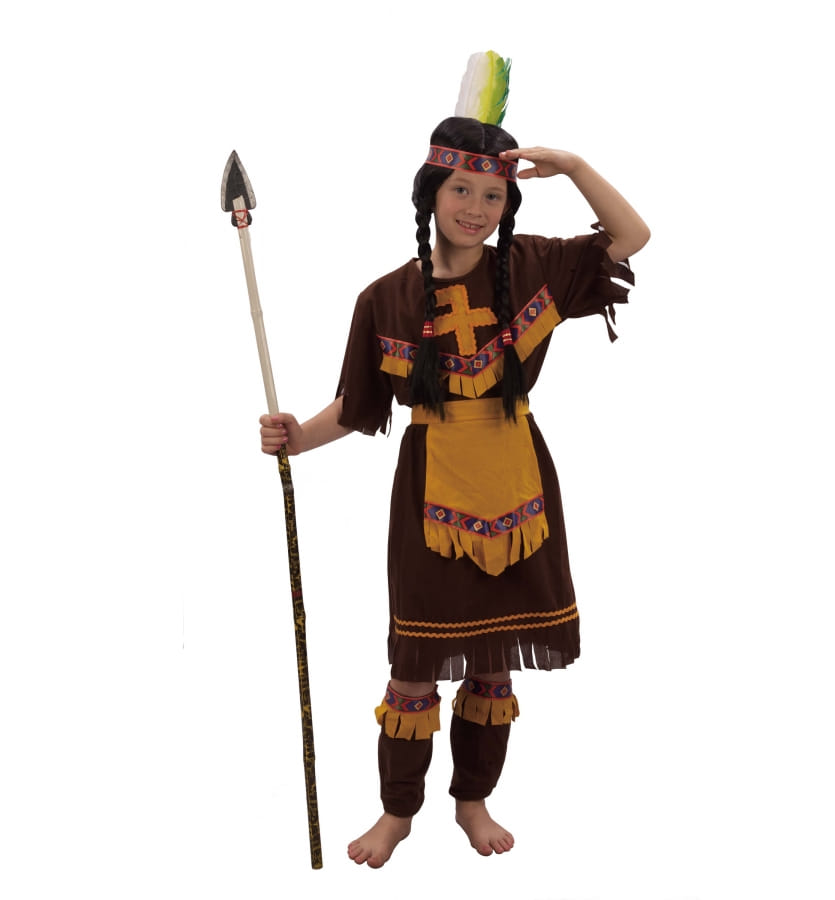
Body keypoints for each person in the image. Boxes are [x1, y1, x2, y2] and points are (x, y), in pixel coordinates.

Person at [259, 116, 650, 868]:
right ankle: (397, 811)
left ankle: (473, 801)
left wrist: (572, 164)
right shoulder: (386, 298)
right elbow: (358, 406)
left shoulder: (533, 267)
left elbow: (632, 237)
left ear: (509, 203)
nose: (476, 208)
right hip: (429, 496)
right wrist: (297, 438)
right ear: (431, 193)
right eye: (461, 190)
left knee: (492, 661)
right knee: (414, 666)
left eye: (492, 195)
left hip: (518, 486)